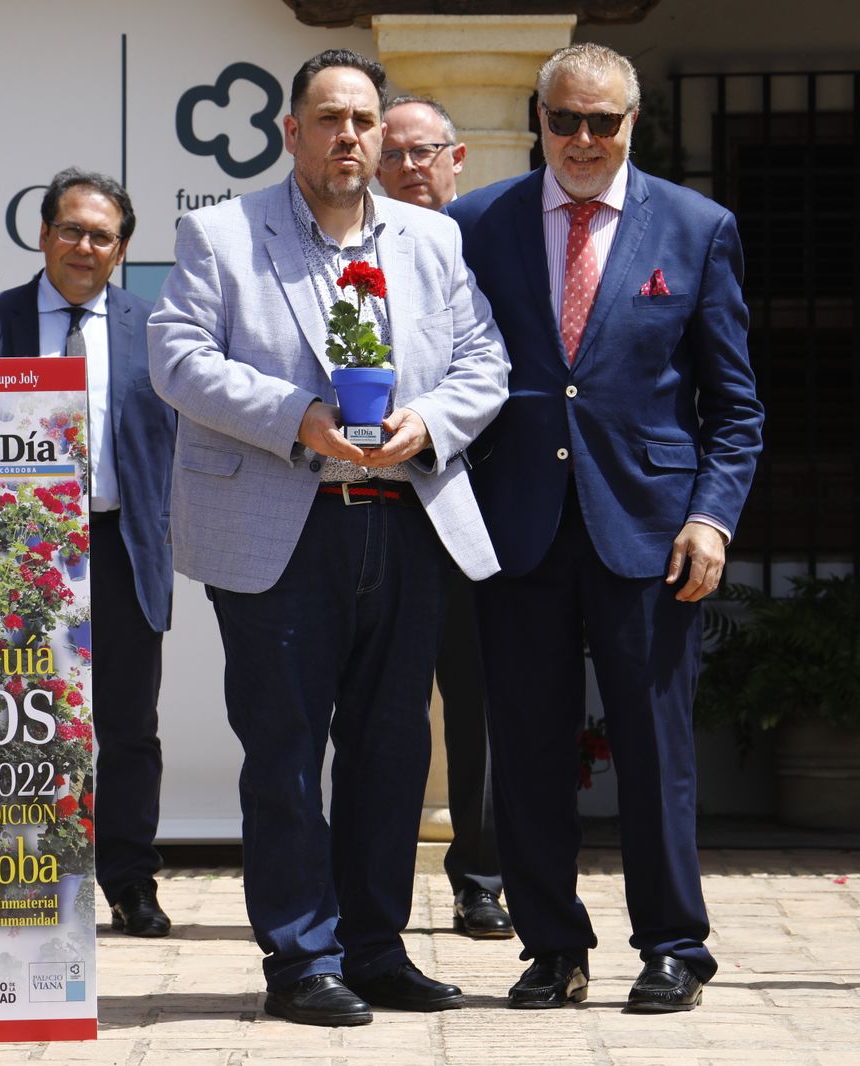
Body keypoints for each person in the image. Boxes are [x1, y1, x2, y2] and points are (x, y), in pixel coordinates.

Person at [149, 50, 509, 1027]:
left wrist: (428, 421)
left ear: (381, 133)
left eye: (363, 120)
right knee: (285, 753)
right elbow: (176, 358)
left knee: (392, 752)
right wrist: (295, 413)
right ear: (291, 132)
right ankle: (300, 959)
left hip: (403, 523)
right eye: (328, 118)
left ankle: (376, 948)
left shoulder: (431, 241)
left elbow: (484, 360)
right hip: (283, 528)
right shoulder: (222, 234)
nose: (348, 136)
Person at [446, 43, 763, 1012]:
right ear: (537, 118)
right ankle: (551, 946)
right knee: (528, 750)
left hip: (652, 532)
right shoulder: (474, 226)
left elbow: (735, 407)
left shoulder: (698, 226)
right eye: (563, 121)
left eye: (603, 123)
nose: (582, 141)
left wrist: (710, 517)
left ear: (633, 123)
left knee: (655, 748)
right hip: (518, 528)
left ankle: (673, 945)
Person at [0, 167, 178, 939]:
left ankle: (130, 882)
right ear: (42, 236)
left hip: (119, 546)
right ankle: (8, 873)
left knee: (129, 726)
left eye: (101, 235)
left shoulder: (158, 328)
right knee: (6, 721)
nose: (84, 246)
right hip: (12, 559)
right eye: (70, 230)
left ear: (123, 248)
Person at [376, 94, 512, 942]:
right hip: (366, 506)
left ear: (457, 158)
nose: (410, 166)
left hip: (478, 506)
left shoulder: (491, 243)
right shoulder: (346, 248)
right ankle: (370, 882)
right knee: (378, 709)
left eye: (426, 150)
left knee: (480, 705)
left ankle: (483, 877)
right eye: (395, 152)